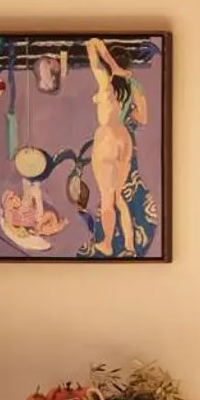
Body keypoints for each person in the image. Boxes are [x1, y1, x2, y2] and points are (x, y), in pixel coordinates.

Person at [84, 38, 150, 257]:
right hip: (124, 139)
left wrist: (112, 67)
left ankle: (108, 244)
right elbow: (143, 118)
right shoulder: (135, 85)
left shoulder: (105, 79)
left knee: (106, 196)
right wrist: (126, 109)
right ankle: (130, 245)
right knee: (118, 196)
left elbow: (92, 43)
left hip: (107, 139)